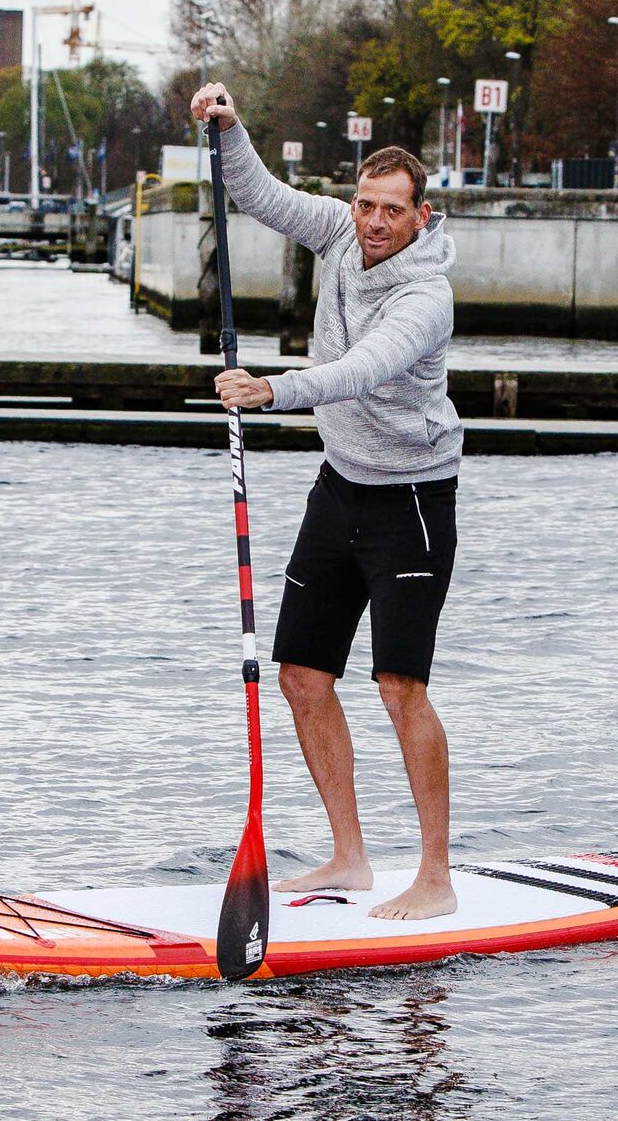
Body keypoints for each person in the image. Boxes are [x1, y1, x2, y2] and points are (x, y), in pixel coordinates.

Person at [192, 81, 464, 922]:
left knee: (398, 686)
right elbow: (258, 193)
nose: (373, 222)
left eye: (391, 210)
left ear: (421, 218)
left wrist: (272, 390)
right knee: (303, 675)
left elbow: (363, 370)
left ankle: (435, 877)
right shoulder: (341, 235)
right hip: (339, 487)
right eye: (364, 204)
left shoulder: (426, 298)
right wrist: (231, 128)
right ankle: (349, 856)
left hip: (412, 500)